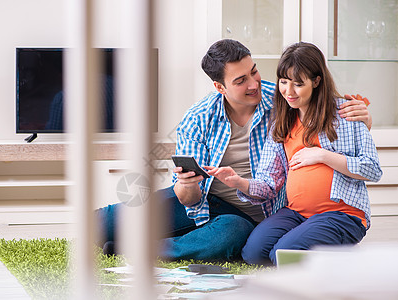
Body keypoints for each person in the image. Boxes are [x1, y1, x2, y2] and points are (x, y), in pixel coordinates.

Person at [96, 39, 372, 261]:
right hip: (204, 200)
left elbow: (321, 101)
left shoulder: (282, 100)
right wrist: (187, 184)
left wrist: (365, 119)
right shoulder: (198, 118)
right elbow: (187, 199)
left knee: (228, 234)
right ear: (220, 87)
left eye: (254, 71)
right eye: (240, 81)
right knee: (104, 222)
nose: (253, 84)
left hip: (252, 213)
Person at [205, 42, 382, 265]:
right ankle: (318, 248)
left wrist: (322, 155)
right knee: (253, 253)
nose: (289, 91)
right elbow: (269, 184)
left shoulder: (346, 113)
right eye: (284, 82)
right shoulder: (281, 122)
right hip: (297, 212)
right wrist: (238, 182)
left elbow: (372, 169)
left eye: (298, 84)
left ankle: (333, 255)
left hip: (342, 213)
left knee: (283, 253)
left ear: (316, 81)